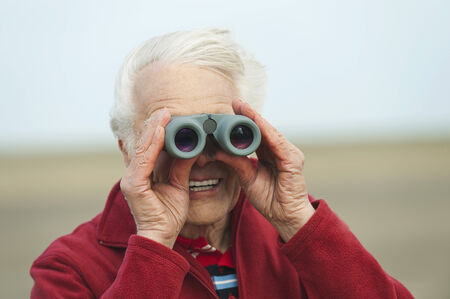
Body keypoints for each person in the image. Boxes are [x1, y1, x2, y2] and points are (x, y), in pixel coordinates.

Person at [30, 28, 414, 299]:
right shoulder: (70, 269)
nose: (200, 158)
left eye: (226, 133)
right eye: (177, 138)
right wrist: (153, 244)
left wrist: (298, 220)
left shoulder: (294, 244)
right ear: (129, 151)